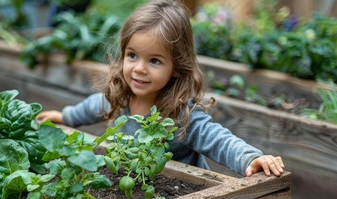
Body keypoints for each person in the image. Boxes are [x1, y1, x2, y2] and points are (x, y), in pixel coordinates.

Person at [36, 0, 285, 177]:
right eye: (132, 55)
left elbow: (219, 140)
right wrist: (65, 116)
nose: (139, 69)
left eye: (154, 61)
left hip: (181, 197)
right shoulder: (120, 97)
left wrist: (251, 157)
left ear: (177, 66)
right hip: (137, 187)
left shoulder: (181, 116)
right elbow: (92, 107)